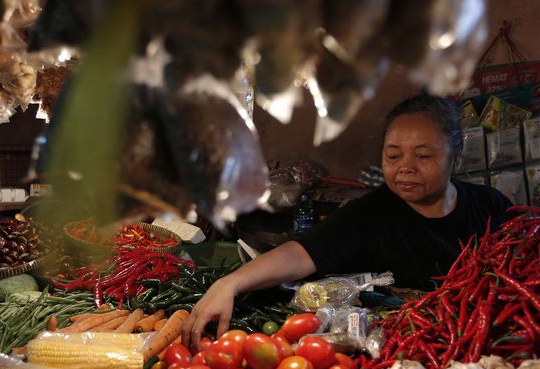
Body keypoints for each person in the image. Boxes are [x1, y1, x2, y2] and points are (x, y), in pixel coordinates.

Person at [182, 93, 512, 350]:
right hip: (403, 350)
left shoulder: (491, 207)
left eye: (423, 156)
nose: (405, 168)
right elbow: (299, 254)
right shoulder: (370, 213)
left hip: (488, 340)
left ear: (455, 153)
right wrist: (230, 284)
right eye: (393, 156)